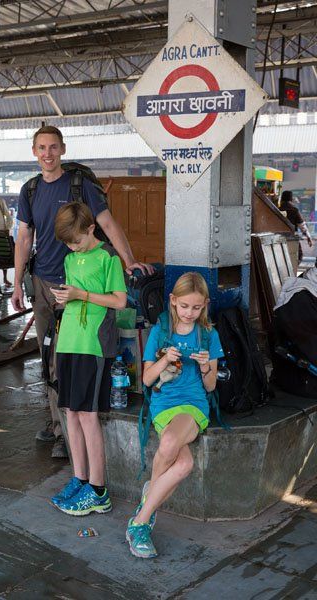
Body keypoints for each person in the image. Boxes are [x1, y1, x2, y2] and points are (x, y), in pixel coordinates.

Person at [11, 125, 153, 459]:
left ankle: (70, 427)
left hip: (80, 284)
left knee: (73, 358)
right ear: (34, 152)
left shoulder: (81, 186)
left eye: (53, 147)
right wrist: (18, 282)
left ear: (62, 149)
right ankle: (57, 422)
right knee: (49, 357)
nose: (48, 154)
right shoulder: (29, 191)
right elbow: (23, 238)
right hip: (45, 284)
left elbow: (107, 224)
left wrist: (128, 260)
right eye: (41, 148)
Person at [126, 272, 224, 559]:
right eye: (184, 307)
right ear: (173, 301)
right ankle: (149, 501)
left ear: (205, 304)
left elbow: (210, 386)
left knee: (168, 444)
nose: (190, 313)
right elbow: (146, 380)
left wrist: (207, 366)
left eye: (196, 307)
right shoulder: (160, 331)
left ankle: (140, 521)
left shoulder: (208, 334)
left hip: (193, 404)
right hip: (163, 402)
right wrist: (164, 359)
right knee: (182, 466)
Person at [49, 202, 126, 515]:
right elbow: (73, 295)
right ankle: (79, 479)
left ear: (91, 228)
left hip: (93, 345)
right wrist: (66, 297)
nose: (72, 247)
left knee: (88, 415)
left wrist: (81, 296)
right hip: (67, 341)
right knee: (70, 412)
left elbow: (119, 301)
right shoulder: (70, 258)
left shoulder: (108, 257)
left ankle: (98, 489)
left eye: (77, 240)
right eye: (67, 242)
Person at [280, 190, 313, 263]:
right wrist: (308, 237)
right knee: (298, 257)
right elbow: (302, 226)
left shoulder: (277, 210)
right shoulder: (294, 210)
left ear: (282, 198)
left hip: (278, 239)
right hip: (292, 239)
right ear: (291, 199)